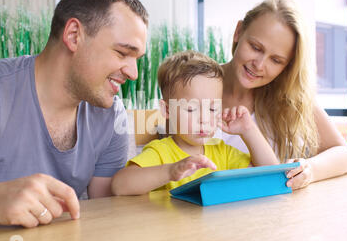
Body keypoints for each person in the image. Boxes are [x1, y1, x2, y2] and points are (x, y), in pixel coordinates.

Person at [0, 0, 148, 227]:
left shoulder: (111, 115)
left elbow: (104, 214)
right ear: (73, 36)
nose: (134, 73)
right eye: (123, 53)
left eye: (137, 58)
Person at [214, 0, 347, 190]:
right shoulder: (197, 83)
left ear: (287, 66)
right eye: (255, 47)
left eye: (276, 60)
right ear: (239, 32)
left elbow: (345, 154)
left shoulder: (288, 98)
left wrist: (310, 169)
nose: (259, 65)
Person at [111, 50, 279, 195]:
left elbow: (271, 174)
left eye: (212, 109)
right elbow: (119, 185)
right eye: (191, 109)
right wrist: (171, 171)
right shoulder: (161, 152)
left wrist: (249, 130)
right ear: (167, 110)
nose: (204, 119)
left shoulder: (222, 152)